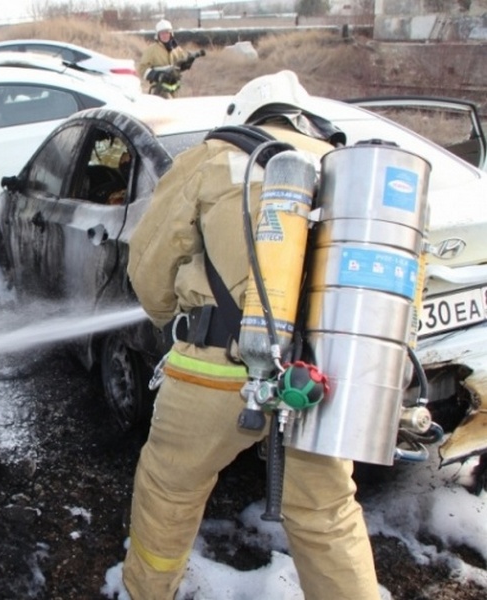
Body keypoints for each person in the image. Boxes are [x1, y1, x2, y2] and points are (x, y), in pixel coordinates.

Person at [121, 70, 379, 600]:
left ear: (244, 118)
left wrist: (169, 313)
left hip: (214, 367)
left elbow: (149, 265)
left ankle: (147, 593)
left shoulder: (214, 157)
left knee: (169, 489)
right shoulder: (346, 170)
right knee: (327, 514)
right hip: (314, 378)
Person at [137, 19, 201, 99]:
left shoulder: (176, 49)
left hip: (174, 88)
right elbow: (142, 69)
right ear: (158, 35)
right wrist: (158, 76)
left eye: (167, 32)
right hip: (160, 89)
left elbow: (180, 65)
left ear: (171, 34)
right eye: (162, 33)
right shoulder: (151, 50)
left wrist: (188, 61)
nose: (165, 35)